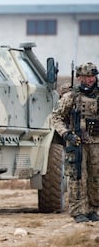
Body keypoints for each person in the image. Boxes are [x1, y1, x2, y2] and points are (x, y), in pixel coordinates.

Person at [51, 62, 99, 223]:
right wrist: (66, 134)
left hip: (96, 144)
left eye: (92, 76)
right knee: (77, 176)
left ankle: (93, 209)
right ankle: (79, 211)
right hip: (77, 142)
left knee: (95, 177)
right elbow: (56, 117)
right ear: (79, 78)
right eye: (86, 77)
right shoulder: (71, 96)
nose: (90, 80)